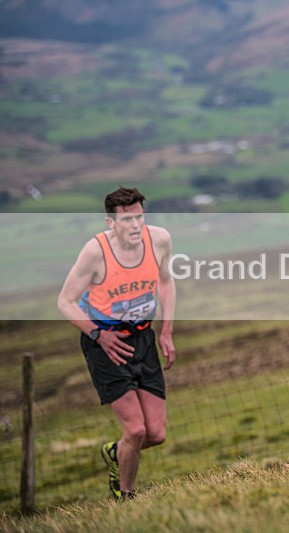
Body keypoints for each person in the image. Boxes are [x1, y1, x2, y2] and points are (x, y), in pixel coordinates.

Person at [57, 187, 176, 500]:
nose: (135, 225)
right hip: (106, 346)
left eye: (139, 216)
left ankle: (115, 451)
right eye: (126, 220)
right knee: (135, 430)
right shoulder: (95, 252)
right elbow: (66, 301)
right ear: (111, 222)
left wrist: (166, 331)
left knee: (156, 434)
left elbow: (165, 281)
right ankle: (126, 496)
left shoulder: (160, 239)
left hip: (143, 339)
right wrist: (98, 334)